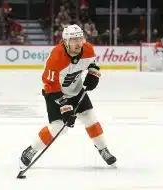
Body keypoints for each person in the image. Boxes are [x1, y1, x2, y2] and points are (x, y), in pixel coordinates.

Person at [19, 24, 117, 170]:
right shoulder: (56, 57)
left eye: (80, 39)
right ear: (65, 41)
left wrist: (93, 73)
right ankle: (31, 150)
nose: (78, 43)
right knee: (58, 127)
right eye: (73, 40)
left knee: (90, 119)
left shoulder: (88, 49)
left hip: (76, 91)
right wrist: (65, 108)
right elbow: (50, 85)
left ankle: (103, 149)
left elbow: (93, 64)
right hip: (54, 93)